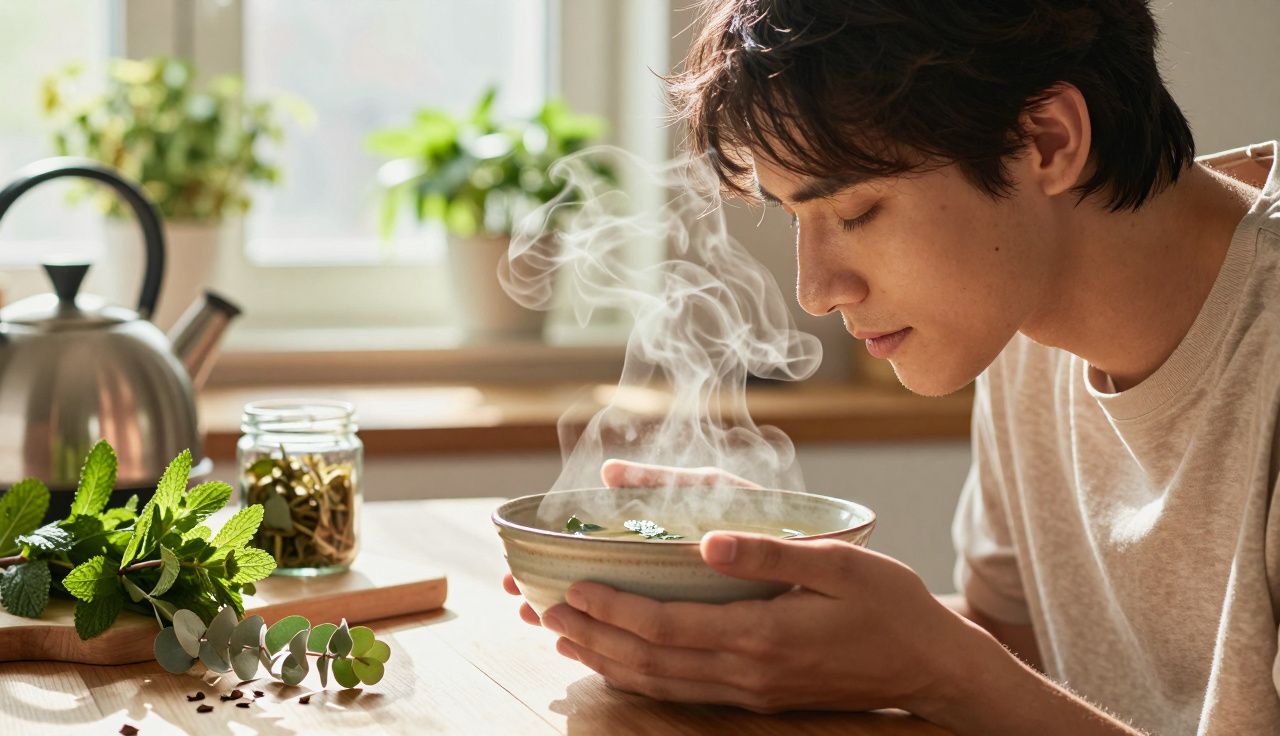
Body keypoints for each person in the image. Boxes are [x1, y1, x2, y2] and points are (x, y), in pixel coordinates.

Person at [503, 1, 1280, 733]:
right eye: (795, 216)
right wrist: (768, 595)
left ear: (1047, 141)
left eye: (856, 212)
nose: (815, 292)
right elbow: (1019, 655)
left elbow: (975, 678)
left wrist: (940, 670)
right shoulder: (1016, 307)